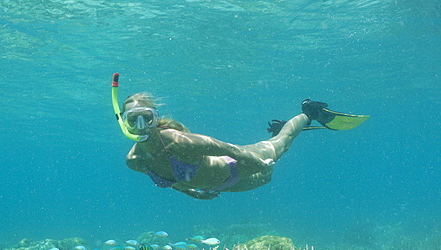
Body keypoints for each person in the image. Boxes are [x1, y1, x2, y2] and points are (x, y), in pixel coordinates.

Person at [111, 74, 368, 201]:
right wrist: (193, 193)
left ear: (156, 118)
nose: (142, 125)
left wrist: (258, 163)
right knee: (266, 179)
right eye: (134, 119)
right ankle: (285, 127)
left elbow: (227, 148)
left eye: (148, 117)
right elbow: (173, 181)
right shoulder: (134, 161)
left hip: (240, 167)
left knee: (281, 145)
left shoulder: (177, 141)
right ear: (124, 121)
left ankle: (308, 113)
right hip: (228, 187)